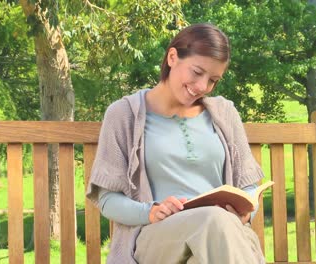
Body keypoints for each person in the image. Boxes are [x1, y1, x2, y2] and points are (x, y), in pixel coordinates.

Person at [87, 23, 266, 264]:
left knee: (207, 244)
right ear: (173, 57)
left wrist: (245, 211)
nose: (203, 87)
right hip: (156, 237)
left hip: (223, 238)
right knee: (214, 220)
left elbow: (248, 188)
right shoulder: (124, 114)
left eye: (213, 80)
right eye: (196, 72)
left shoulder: (225, 113)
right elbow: (108, 199)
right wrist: (150, 211)